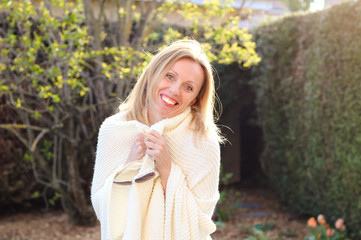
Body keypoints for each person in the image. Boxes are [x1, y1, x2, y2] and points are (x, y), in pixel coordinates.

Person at [91, 39, 222, 240]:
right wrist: (130, 166)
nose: (175, 90)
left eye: (188, 88)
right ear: (153, 73)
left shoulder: (204, 142)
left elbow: (202, 223)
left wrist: (167, 170)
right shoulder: (114, 129)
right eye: (170, 76)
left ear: (195, 98)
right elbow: (102, 208)